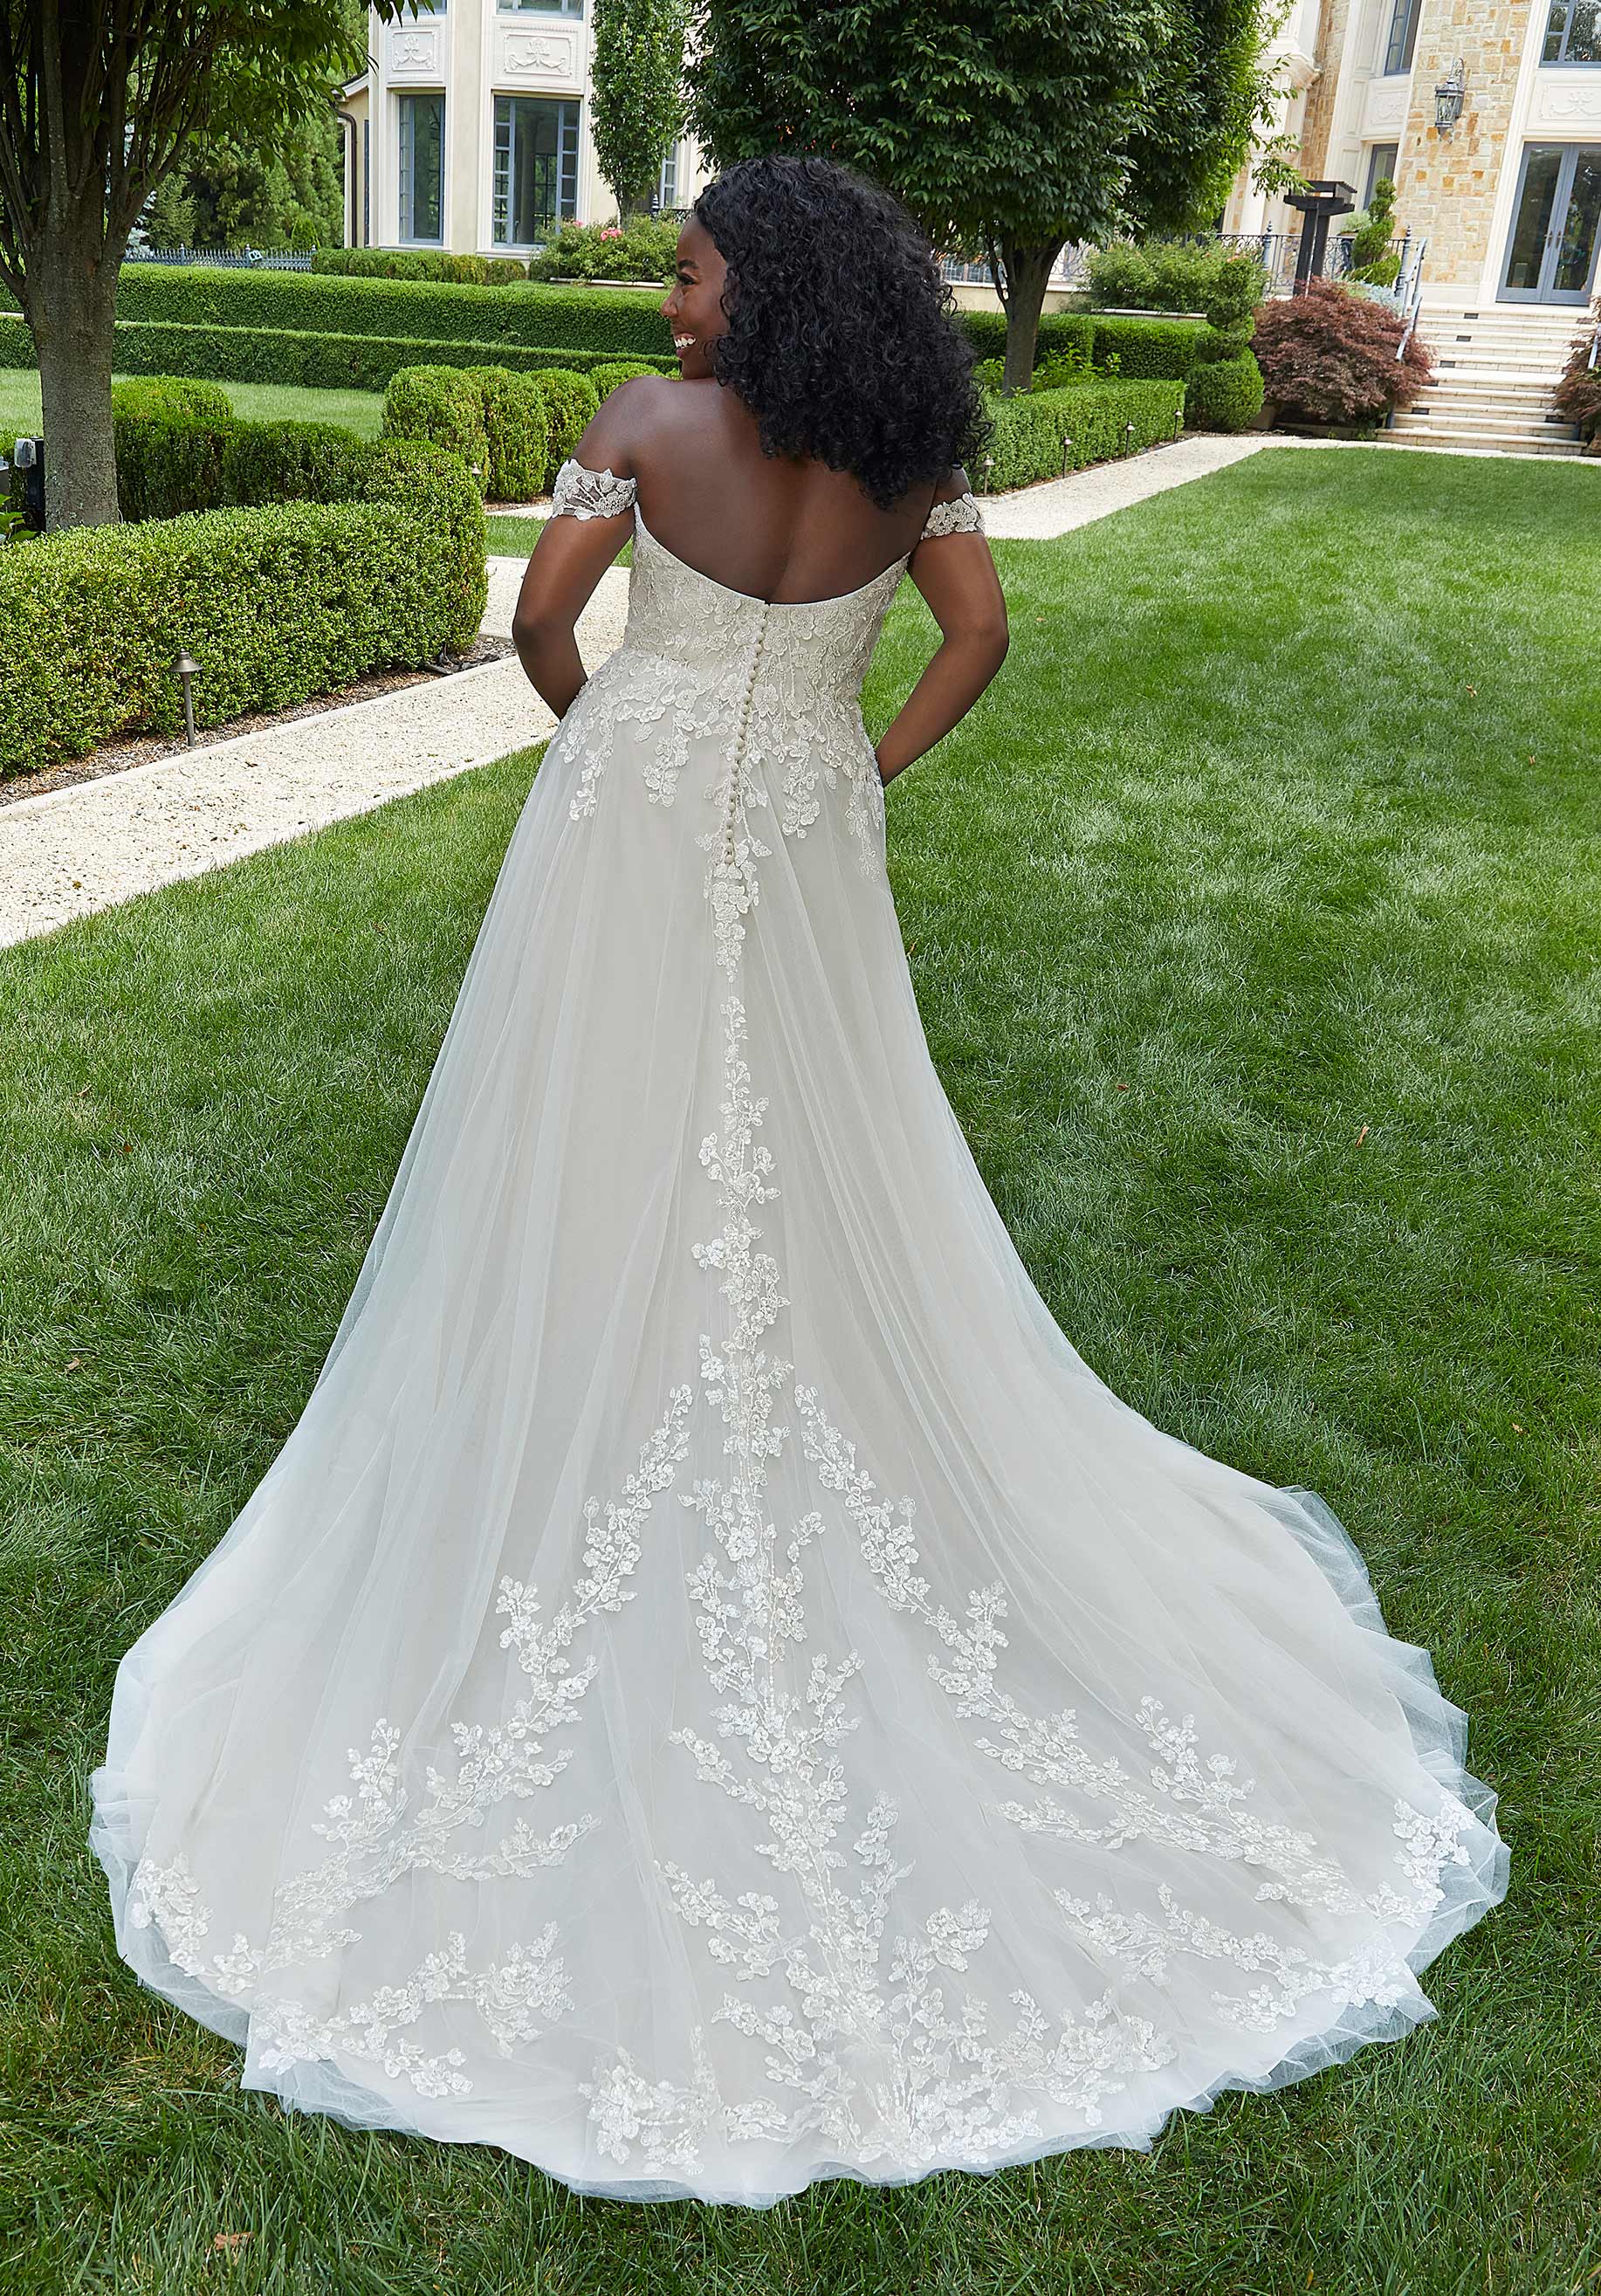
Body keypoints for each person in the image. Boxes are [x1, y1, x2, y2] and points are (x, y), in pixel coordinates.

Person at [89, 155, 1508, 2210]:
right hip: (805, 835)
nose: (669, 304)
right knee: (826, 1140)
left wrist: (617, 749)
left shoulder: (641, 429)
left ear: (762, 287)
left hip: (635, 829)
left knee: (597, 1133)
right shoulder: (913, 447)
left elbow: (541, 623)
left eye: (687, 272)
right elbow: (981, 635)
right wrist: (855, 762)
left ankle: (589, 1395)